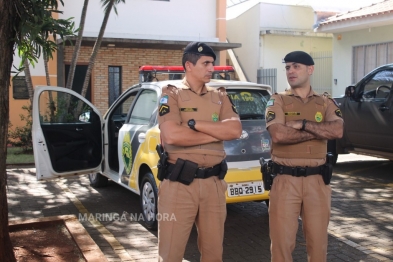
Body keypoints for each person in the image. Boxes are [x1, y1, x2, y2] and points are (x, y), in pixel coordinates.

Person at [157, 42, 242, 262]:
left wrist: (195, 125)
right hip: (179, 185)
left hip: (214, 184)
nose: (211, 68)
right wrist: (217, 133)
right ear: (189, 65)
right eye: (206, 63)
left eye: (212, 63)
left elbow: (234, 129)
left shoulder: (220, 96)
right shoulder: (171, 94)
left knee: (214, 254)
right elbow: (173, 136)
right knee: (171, 254)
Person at [265, 51, 344, 262]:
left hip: (317, 182)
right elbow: (279, 134)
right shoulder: (277, 100)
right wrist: (318, 131)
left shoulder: (325, 102)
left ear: (310, 69)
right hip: (285, 180)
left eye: (296, 66)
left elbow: (337, 131)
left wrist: (303, 124)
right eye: (287, 67)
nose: (290, 71)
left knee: (318, 245)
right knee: (282, 245)